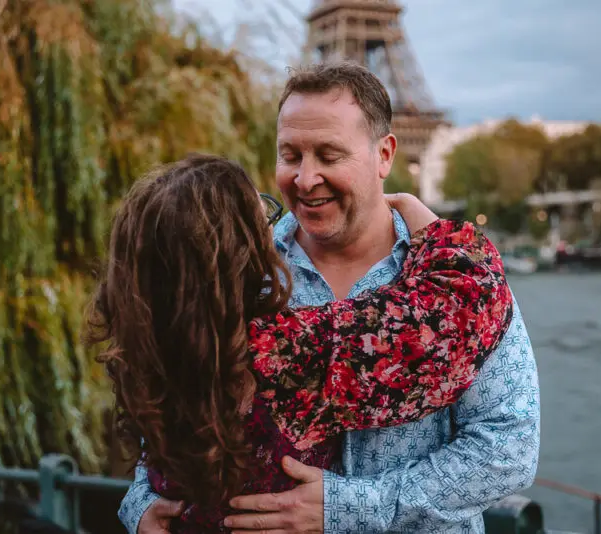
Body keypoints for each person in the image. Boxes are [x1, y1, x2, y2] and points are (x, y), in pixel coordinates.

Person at [127, 62, 540, 533]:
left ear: (384, 155)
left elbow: (509, 447)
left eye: (329, 155)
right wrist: (141, 504)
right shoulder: (237, 268)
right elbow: (169, 406)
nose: (305, 179)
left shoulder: (465, 286)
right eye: (290, 155)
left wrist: (349, 507)